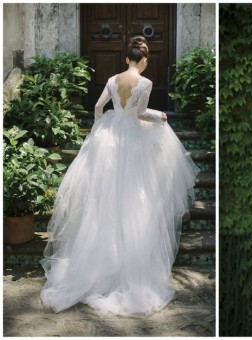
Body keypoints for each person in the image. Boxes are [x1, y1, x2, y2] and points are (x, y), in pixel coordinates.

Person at [40, 36, 200, 317]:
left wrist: (103, 129)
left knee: (104, 199)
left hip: (111, 138)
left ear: (127, 58)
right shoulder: (146, 83)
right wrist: (160, 116)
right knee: (135, 197)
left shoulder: (113, 80)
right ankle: (128, 263)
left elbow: (99, 107)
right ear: (144, 60)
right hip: (133, 140)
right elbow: (140, 113)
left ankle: (95, 265)